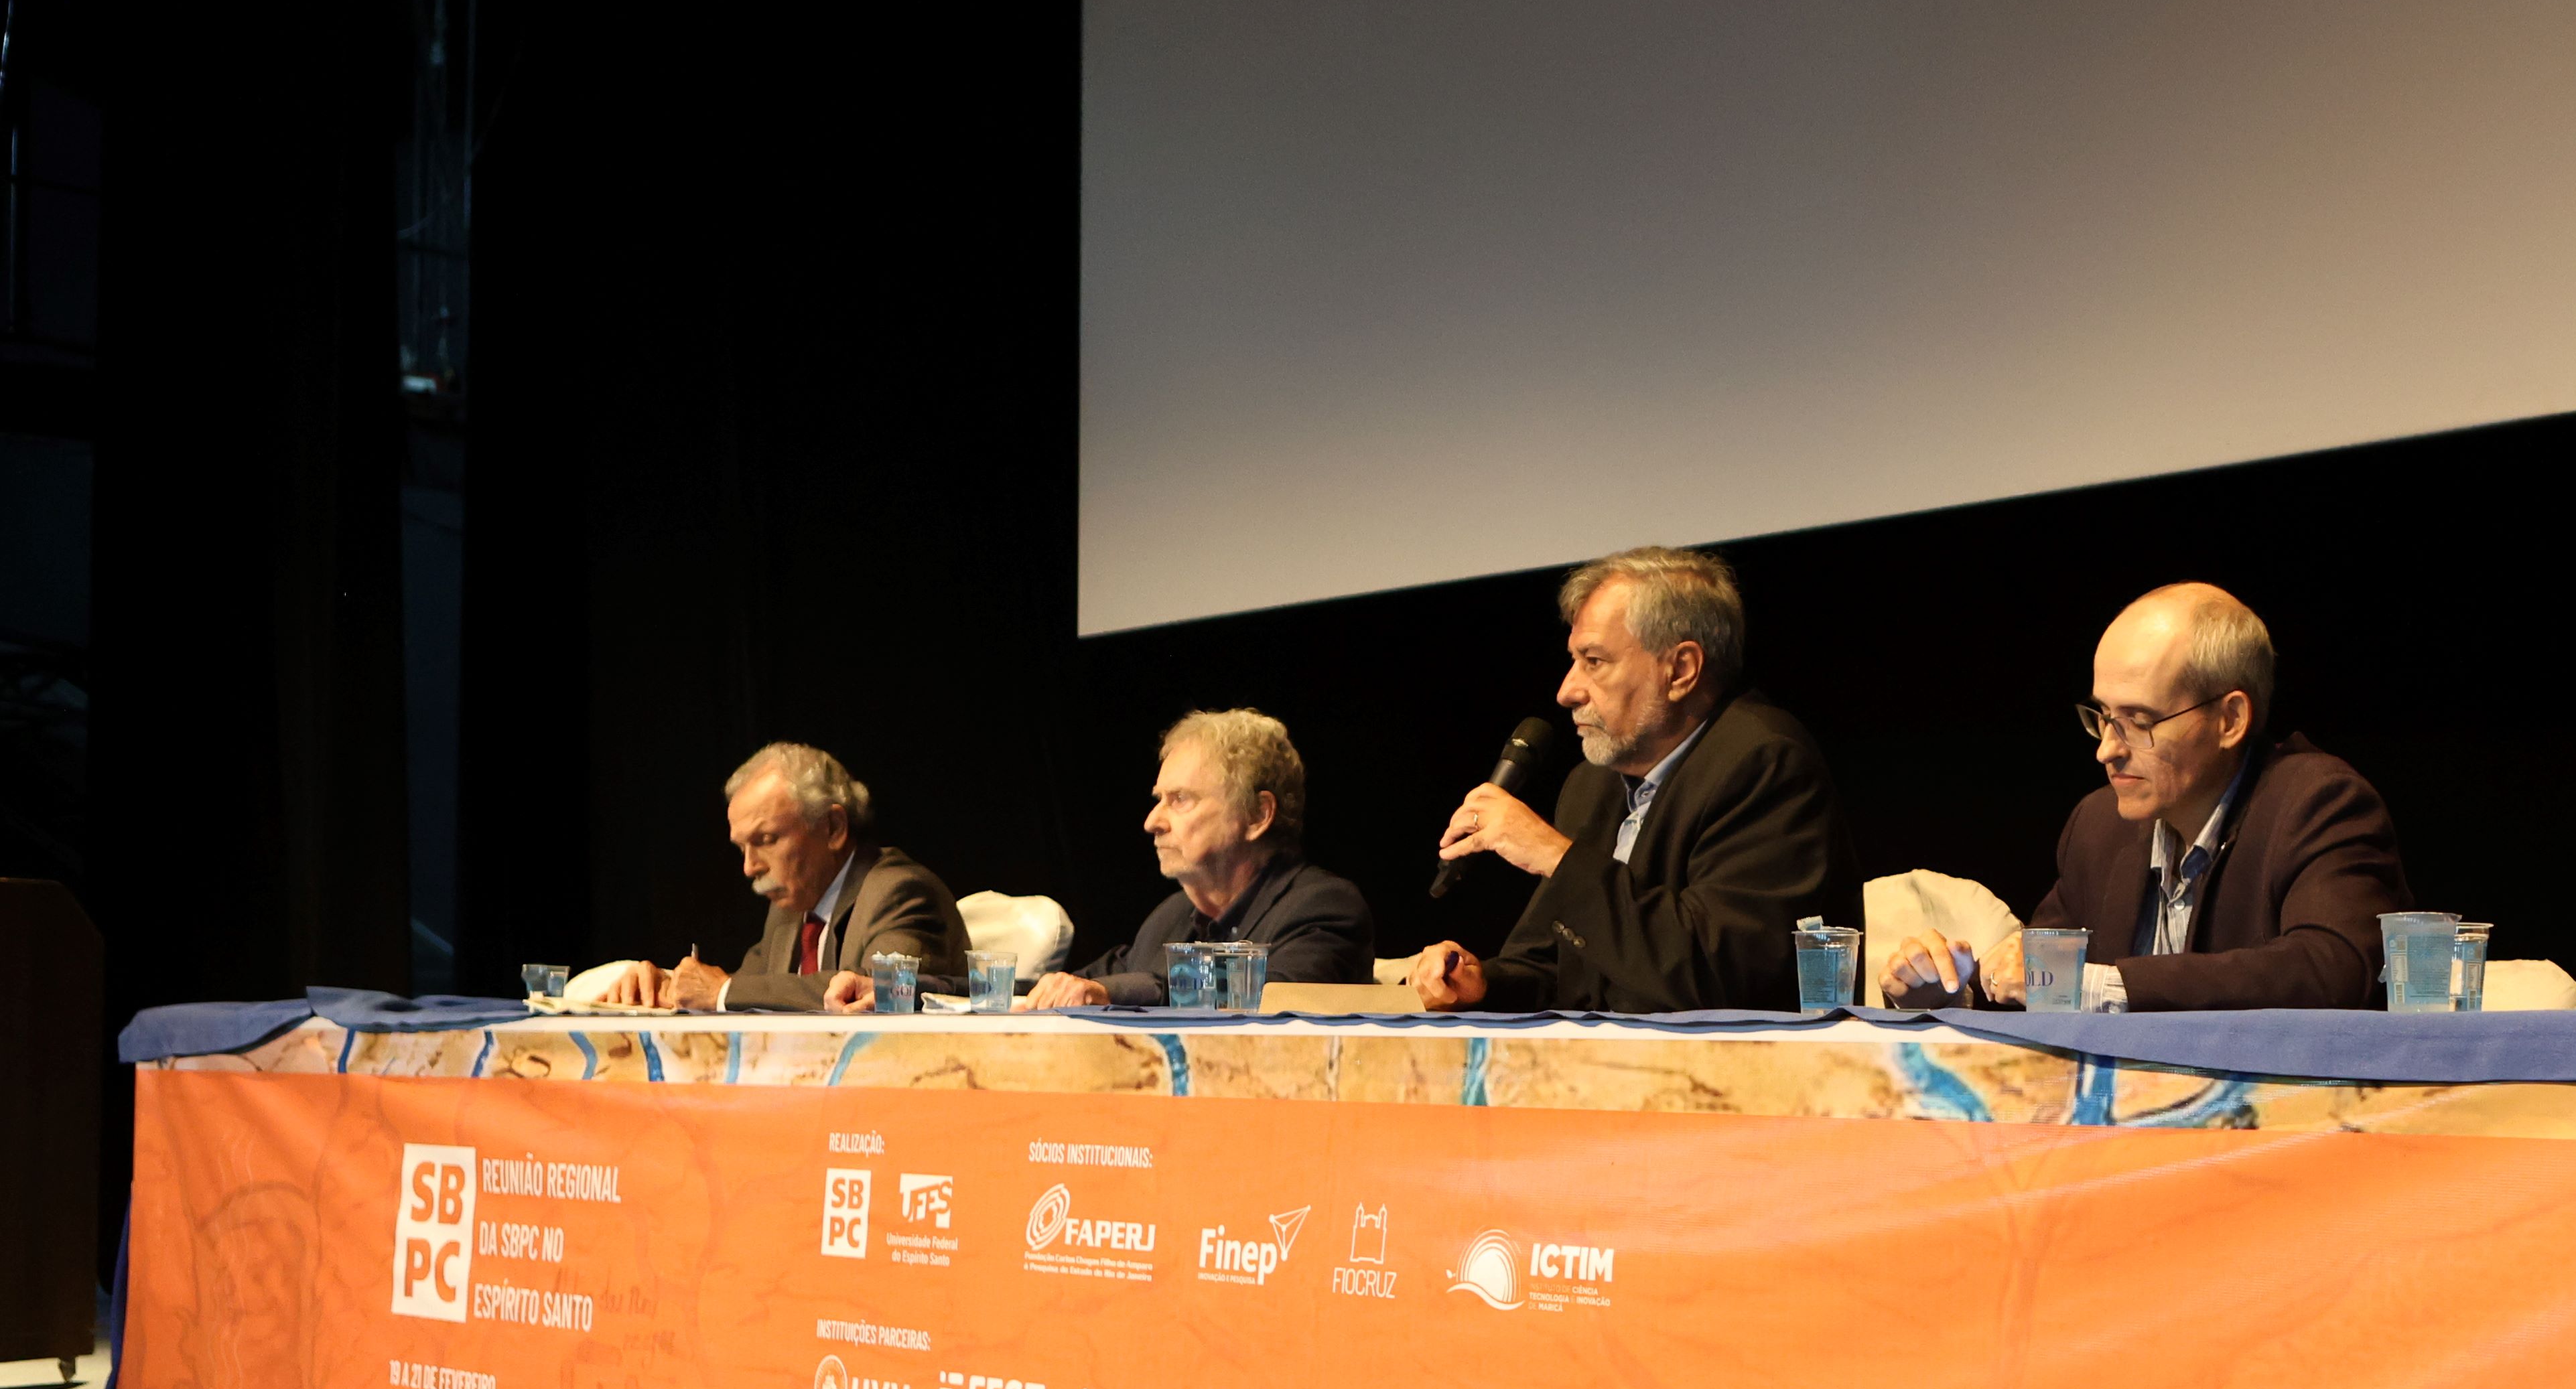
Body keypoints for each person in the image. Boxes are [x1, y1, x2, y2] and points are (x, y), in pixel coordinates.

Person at [1877, 582, 2406, 1010]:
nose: (2107, 750)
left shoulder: (2317, 802)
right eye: (2103, 717)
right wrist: (1947, 992)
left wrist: (2111, 986)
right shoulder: (2099, 824)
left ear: (2230, 719)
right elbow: (2037, 985)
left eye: (2139, 721)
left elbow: (2332, 967)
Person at [1412, 546, 1853, 1013]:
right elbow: (1562, 969)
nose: (1567, 691)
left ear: (1680, 670)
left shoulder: (1765, 764)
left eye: (1595, 661)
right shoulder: (1593, 786)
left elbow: (1712, 974)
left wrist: (1555, 855)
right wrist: (1483, 984)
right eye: (1574, 660)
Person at [1023, 709, 1373, 1009]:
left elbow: (1259, 1002)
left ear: (1257, 815)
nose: (1152, 822)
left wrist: (1110, 992)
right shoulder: (1171, 917)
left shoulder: (1323, 908)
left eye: (1180, 800)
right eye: (1159, 799)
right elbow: (1089, 981)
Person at [600, 743, 961, 1013]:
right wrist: (668, 986)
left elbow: (876, 996)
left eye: (766, 840)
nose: (749, 867)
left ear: (832, 828)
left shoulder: (902, 892)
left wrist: (723, 991)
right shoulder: (791, 910)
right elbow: (749, 987)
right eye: (742, 848)